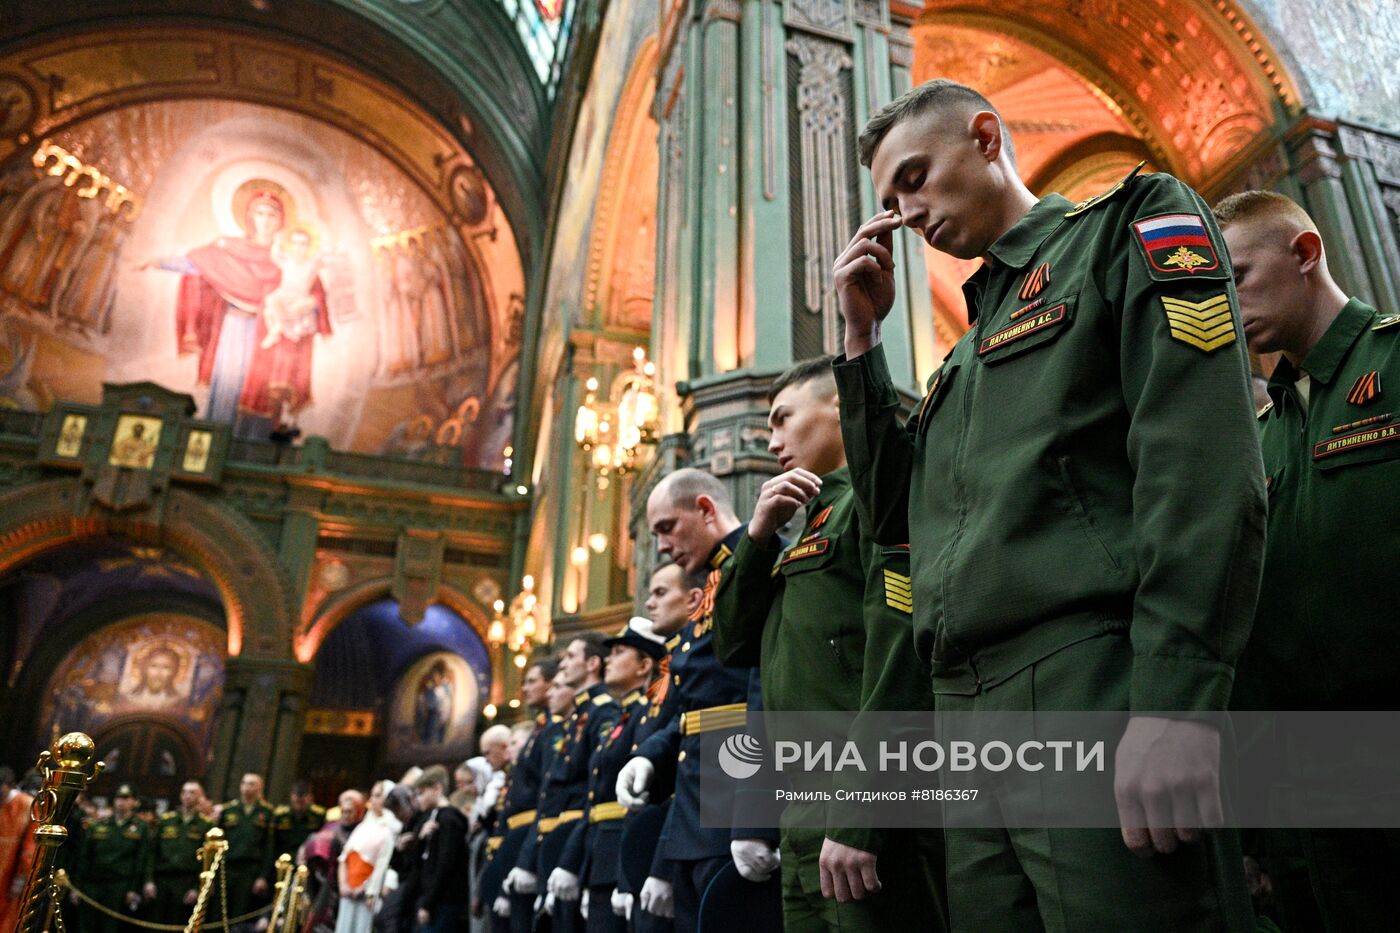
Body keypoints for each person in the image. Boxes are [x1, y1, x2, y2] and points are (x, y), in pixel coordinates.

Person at [831, 78, 1264, 931]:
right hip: (965, 709)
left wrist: (1176, 701)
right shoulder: (961, 357)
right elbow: (893, 520)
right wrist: (859, 344)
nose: (907, 212)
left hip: (1082, 677)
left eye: (915, 177)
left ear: (987, 137)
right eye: (889, 200)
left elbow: (1200, 463)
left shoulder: (1122, 227)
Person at [1214, 189, 1400, 929]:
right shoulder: (1266, 430)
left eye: (1240, 276)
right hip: (1308, 778)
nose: (1228, 303)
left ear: (1305, 253)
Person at [712, 356, 949, 931]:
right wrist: (759, 537)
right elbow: (733, 644)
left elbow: (900, 661)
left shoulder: (875, 502)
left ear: (838, 408)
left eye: (782, 419)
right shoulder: (802, 527)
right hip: (802, 807)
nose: (772, 442)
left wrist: (862, 808)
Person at [615, 469, 771, 933]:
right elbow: (691, 716)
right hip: (694, 816)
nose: (661, 545)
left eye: (667, 527)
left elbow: (766, 696)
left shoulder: (757, 560)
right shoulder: (710, 589)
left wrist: (756, 818)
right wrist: (650, 754)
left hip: (735, 807)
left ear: (704, 509)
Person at [550, 619, 666, 933]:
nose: (608, 660)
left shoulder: (642, 715)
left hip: (623, 850)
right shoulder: (628, 716)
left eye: (618, 652)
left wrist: (628, 876)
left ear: (644, 666)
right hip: (600, 852)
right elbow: (593, 796)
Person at [509, 635, 620, 933]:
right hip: (565, 836)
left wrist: (574, 859)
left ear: (592, 664)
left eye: (571, 656)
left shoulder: (602, 712)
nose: (564, 663)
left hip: (583, 837)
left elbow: (595, 788)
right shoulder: (581, 717)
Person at [482, 658, 562, 933]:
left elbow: (553, 794)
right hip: (528, 839)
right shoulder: (544, 727)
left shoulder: (557, 727)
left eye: (531, 681)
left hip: (546, 838)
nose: (524, 688)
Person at [73, 784, 150, 933]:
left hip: (119, 885)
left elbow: (141, 860)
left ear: (134, 802)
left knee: (110, 927)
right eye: (119, 798)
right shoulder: (99, 825)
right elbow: (84, 858)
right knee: (86, 925)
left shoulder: (141, 828)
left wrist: (133, 889)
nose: (122, 802)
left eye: (127, 798)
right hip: (93, 883)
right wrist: (77, 887)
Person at [143, 780, 215, 925]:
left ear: (201, 797)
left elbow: (209, 862)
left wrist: (197, 888)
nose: (187, 796)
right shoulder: (166, 821)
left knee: (178, 924)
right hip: (162, 879)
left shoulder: (206, 824)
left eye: (192, 793)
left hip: (186, 882)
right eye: (184, 792)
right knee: (155, 923)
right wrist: (148, 880)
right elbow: (152, 853)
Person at [335, 781, 403, 933]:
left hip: (370, 896)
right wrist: (343, 885)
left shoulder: (393, 827)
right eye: (372, 795)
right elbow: (344, 857)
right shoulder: (363, 825)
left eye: (379, 795)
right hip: (349, 891)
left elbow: (384, 863)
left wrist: (368, 888)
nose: (373, 800)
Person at [409, 767, 469, 933]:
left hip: (443, 900)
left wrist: (428, 903)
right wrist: (421, 839)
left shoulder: (449, 819)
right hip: (432, 897)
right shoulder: (432, 817)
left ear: (437, 788)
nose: (418, 799)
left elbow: (445, 863)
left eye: (421, 793)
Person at [216, 773, 275, 924]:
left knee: (241, 913)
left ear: (260, 788)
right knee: (219, 911)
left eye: (251, 784)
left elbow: (268, 847)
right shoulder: (228, 810)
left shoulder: (267, 812)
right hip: (227, 867)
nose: (247, 787)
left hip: (250, 870)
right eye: (244, 783)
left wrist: (263, 876)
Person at [0, 766, 37, 932]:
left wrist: (21, 878)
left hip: (9, 873)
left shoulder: (27, 805)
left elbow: (30, 846)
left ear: (9, 785)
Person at [273, 780, 326, 865]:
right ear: (291, 797)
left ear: (310, 798)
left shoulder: (318, 816)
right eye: (297, 802)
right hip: (284, 860)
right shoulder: (280, 815)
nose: (300, 805)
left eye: (303, 802)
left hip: (308, 861)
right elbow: (273, 843)